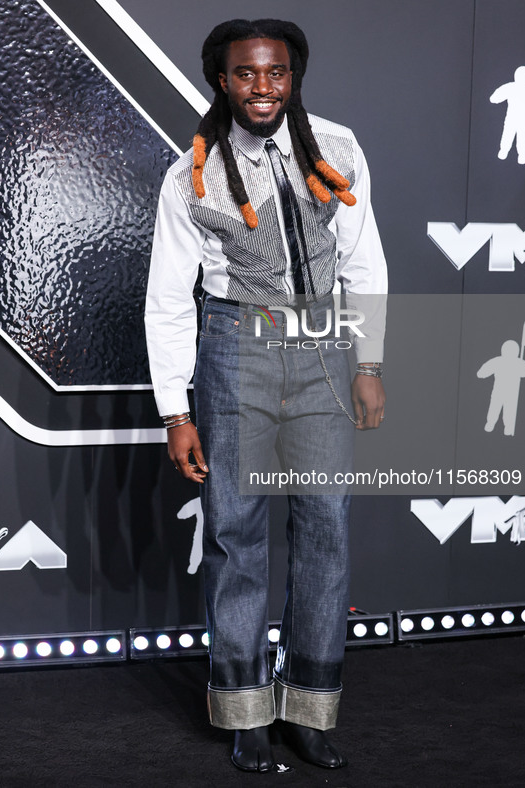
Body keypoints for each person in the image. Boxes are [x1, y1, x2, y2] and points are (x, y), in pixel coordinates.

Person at [145, 18, 387, 773]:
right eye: (246, 73)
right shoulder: (191, 171)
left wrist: (368, 362)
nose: (262, 87)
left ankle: (308, 710)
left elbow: (364, 262)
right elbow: (167, 299)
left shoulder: (338, 149)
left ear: (293, 76)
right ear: (222, 78)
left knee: (324, 532)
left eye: (275, 72)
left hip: (322, 349)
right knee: (236, 536)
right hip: (233, 351)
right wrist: (175, 411)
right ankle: (246, 713)